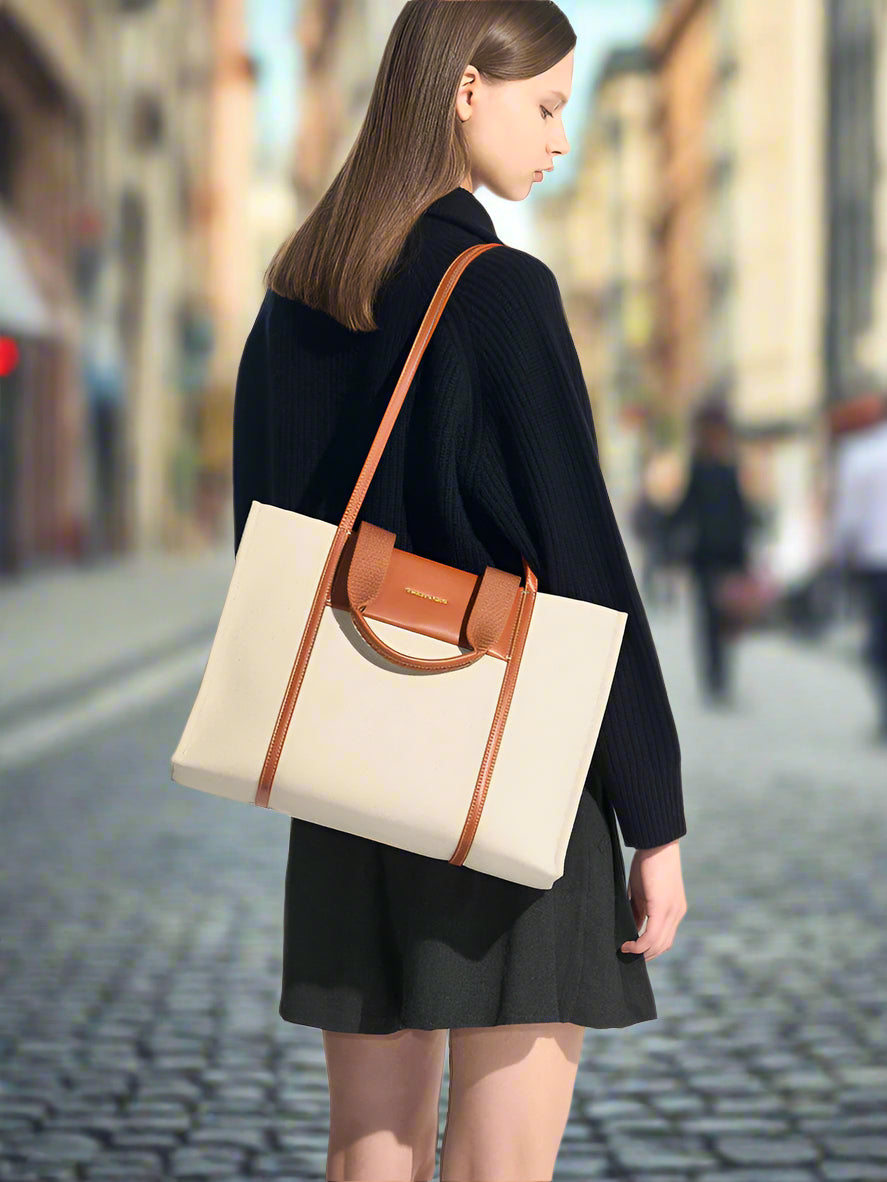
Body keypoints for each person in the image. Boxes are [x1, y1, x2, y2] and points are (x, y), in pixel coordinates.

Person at [232, 5, 688, 1180]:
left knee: (365, 1153)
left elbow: (262, 542)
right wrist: (655, 814)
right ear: (464, 90)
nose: (559, 140)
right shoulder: (497, 293)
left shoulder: (293, 300)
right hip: (503, 779)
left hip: (348, 785)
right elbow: (584, 566)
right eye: (545, 106)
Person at [665, 400, 761, 706]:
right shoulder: (700, 466)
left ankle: (720, 680)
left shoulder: (728, 467)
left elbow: (740, 511)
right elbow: (687, 507)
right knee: (708, 620)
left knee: (725, 619)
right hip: (707, 556)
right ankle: (713, 681)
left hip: (728, 555)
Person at [828, 393, 887, 742]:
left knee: (880, 641)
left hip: (874, 560)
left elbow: (848, 517)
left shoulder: (859, 454)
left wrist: (839, 555)